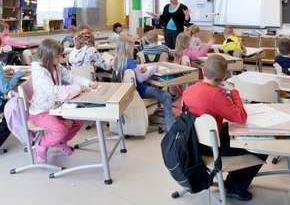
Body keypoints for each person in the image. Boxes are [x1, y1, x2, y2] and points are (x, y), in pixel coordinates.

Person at [181, 55, 268, 201]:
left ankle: (234, 182)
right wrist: (234, 93)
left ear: (203, 71)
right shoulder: (216, 95)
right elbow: (241, 117)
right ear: (223, 77)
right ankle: (235, 187)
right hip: (212, 147)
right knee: (260, 146)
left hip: (192, 144)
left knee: (232, 131)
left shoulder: (189, 90)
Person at [28, 39, 96, 163]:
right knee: (61, 129)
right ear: (47, 57)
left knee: (79, 121)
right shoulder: (39, 71)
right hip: (40, 112)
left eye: (60, 55)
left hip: (56, 108)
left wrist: (88, 83)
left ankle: (60, 141)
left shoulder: (55, 65)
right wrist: (78, 89)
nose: (60, 58)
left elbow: (71, 77)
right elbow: (53, 91)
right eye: (57, 56)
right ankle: (41, 144)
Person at [114, 36, 174, 131]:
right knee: (167, 96)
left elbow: (133, 74)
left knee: (156, 89)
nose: (133, 49)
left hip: (127, 92)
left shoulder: (117, 61)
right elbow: (141, 79)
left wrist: (138, 71)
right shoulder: (130, 62)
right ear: (128, 48)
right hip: (139, 91)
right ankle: (171, 128)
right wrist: (152, 69)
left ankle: (159, 115)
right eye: (132, 47)